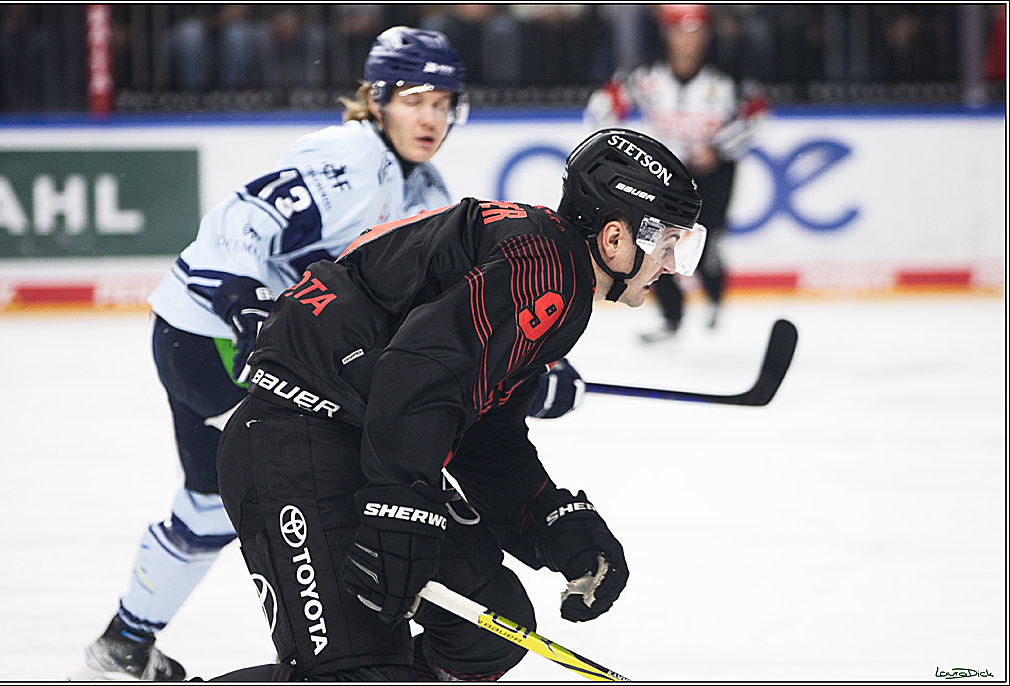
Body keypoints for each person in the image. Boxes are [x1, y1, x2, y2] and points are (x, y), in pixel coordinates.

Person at [77, 25, 582, 681]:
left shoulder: (428, 190)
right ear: (377, 99)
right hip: (213, 342)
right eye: (414, 100)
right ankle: (355, 646)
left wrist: (524, 363)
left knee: (209, 501)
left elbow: (440, 328)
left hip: (250, 346)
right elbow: (241, 223)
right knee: (318, 472)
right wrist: (247, 303)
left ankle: (123, 645)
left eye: (442, 103)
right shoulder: (347, 160)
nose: (430, 118)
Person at [212, 127, 706, 681]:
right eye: (668, 246)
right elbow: (414, 373)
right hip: (295, 444)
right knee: (358, 675)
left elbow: (481, 429)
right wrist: (399, 504)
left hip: (350, 440)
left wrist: (547, 519)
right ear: (615, 238)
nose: (671, 265)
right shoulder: (548, 275)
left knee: (488, 631)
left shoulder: (546, 262)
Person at [586, 3, 767, 342]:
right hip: (665, 173)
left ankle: (714, 300)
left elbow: (757, 116)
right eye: (682, 30)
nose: (690, 40)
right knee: (656, 241)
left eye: (697, 31)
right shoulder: (645, 74)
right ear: (667, 33)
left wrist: (719, 148)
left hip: (715, 173)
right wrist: (622, 150)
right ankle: (671, 317)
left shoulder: (728, 78)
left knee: (709, 240)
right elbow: (602, 107)